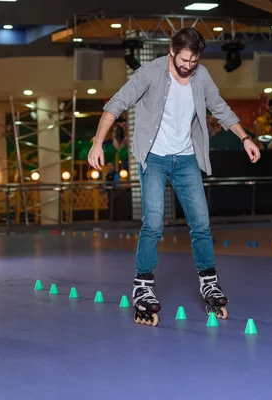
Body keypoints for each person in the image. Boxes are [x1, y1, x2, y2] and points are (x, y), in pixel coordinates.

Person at [88, 27, 261, 326]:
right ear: (172, 50)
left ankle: (209, 281)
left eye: (193, 61)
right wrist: (96, 142)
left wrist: (245, 138)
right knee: (153, 222)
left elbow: (220, 109)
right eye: (183, 60)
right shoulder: (149, 73)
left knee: (201, 223)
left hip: (186, 159)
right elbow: (115, 105)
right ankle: (142, 286)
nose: (188, 66)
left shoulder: (201, 76)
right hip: (153, 158)